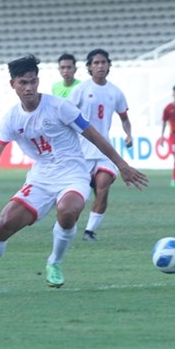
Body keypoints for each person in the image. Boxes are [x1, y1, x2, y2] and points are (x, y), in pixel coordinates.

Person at [0, 55, 148, 294]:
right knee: (4, 223)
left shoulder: (60, 107)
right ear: (13, 85)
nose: (29, 88)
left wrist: (121, 165)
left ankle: (55, 262)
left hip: (72, 174)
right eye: (22, 83)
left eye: (32, 81)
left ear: (38, 81)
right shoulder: (11, 118)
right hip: (41, 178)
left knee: (68, 211)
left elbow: (94, 135)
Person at [68, 48, 133, 243]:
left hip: (104, 152)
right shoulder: (80, 90)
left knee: (103, 186)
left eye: (103, 62)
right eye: (95, 63)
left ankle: (89, 232)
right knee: (77, 198)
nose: (100, 66)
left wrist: (128, 134)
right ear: (89, 67)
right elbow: (66, 115)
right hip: (80, 152)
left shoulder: (116, 92)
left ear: (109, 65)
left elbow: (124, 118)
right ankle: (66, 229)